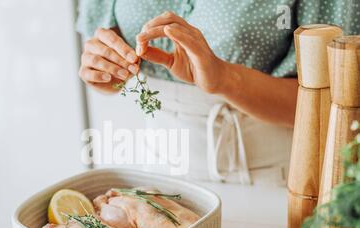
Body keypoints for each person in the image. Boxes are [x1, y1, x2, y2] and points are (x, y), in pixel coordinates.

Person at [77, 0, 360, 186]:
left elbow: (333, 101)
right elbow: (109, 46)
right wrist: (104, 71)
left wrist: (225, 78)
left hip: (272, 178)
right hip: (156, 168)